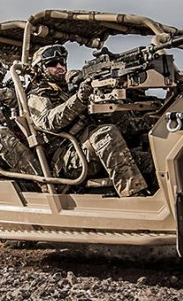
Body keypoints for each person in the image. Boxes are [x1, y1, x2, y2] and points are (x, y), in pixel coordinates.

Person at [26, 44, 148, 197]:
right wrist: (79, 98)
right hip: (67, 158)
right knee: (106, 133)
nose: (59, 66)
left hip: (91, 148)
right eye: (52, 64)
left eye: (62, 62)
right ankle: (134, 199)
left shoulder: (72, 87)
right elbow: (49, 121)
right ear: (40, 69)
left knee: (148, 159)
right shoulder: (38, 95)